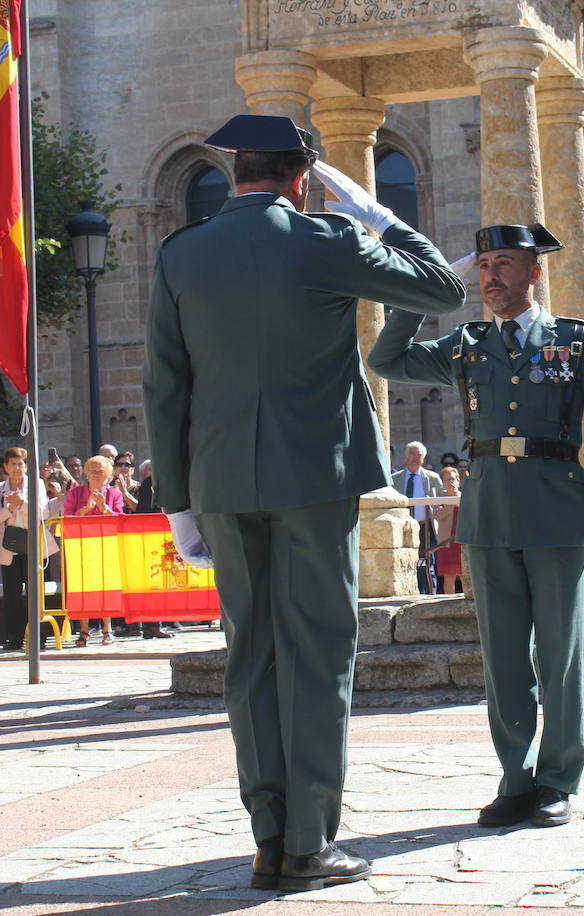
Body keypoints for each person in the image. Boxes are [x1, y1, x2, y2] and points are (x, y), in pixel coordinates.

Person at [142, 114, 465, 892]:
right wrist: (377, 217)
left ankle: (267, 837)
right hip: (315, 479)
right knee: (319, 657)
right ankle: (310, 844)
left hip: (221, 484)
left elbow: (164, 386)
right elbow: (444, 289)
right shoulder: (329, 240)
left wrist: (178, 502)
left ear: (236, 173)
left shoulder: (182, 253)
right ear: (302, 177)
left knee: (249, 657)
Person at [368, 221, 584, 832]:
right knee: (504, 657)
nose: (490, 275)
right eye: (484, 265)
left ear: (534, 273)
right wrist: (423, 293)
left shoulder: (574, 340)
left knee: (561, 654)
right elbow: (387, 358)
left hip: (554, 509)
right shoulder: (464, 345)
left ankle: (558, 780)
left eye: (504, 264)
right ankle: (517, 777)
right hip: (487, 514)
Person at [0, 448, 58, 651]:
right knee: (11, 593)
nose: (17, 468)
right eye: (13, 464)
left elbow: (44, 512)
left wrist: (23, 503)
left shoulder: (36, 484)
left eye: (20, 464)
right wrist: (9, 509)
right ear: (6, 466)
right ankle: (14, 637)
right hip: (9, 544)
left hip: (33, 542)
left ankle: (39, 636)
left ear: (26, 466)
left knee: (35, 592)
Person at [62, 455, 125, 644]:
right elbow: (66, 518)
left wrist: (104, 508)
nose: (97, 474)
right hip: (81, 548)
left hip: (107, 547)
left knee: (107, 588)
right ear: (86, 473)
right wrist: (86, 509)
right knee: (83, 588)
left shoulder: (115, 494)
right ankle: (84, 631)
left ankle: (107, 630)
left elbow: (120, 519)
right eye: (93, 471)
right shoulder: (75, 493)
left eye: (101, 471)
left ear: (107, 475)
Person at [392, 441, 445, 594]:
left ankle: (429, 595)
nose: (415, 458)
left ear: (424, 458)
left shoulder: (433, 478)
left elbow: (442, 501)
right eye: (412, 454)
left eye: (419, 455)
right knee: (404, 562)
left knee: (426, 564)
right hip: (403, 528)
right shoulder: (395, 479)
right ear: (405, 456)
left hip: (425, 528)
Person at [431, 465, 464, 594]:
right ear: (443, 483)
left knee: (465, 575)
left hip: (463, 540)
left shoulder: (465, 497)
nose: (450, 482)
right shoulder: (440, 498)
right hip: (447, 542)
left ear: (458, 480)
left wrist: (457, 500)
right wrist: (452, 503)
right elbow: (436, 515)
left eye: (453, 479)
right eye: (447, 480)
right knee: (449, 576)